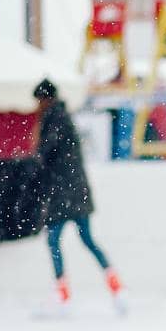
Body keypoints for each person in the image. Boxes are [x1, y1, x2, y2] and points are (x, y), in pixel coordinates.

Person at [31, 79, 122, 309]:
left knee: (54, 241)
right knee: (87, 240)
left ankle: (62, 292)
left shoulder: (55, 119)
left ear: (45, 99)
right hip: (76, 192)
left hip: (65, 194)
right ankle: (115, 284)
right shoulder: (61, 117)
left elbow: (43, 153)